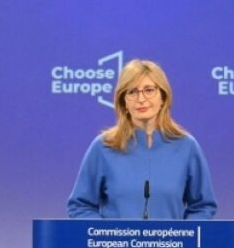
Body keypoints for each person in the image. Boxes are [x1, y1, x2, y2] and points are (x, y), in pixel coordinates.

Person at [67, 58, 216, 219]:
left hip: (170, 237)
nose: (141, 99)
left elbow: (203, 207)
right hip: (116, 237)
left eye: (149, 90)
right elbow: (80, 206)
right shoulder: (103, 146)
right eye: (132, 92)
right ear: (124, 101)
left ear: (163, 97)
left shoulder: (187, 146)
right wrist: (105, 233)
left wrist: (185, 233)